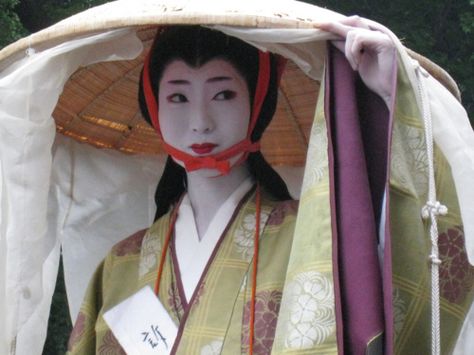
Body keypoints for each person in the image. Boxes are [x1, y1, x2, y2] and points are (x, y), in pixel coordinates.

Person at [67, 20, 397, 354]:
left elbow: (389, 298)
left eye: (223, 94)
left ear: (258, 102)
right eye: (178, 96)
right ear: (153, 106)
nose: (200, 122)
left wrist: (387, 97)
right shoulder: (122, 263)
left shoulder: (311, 236)